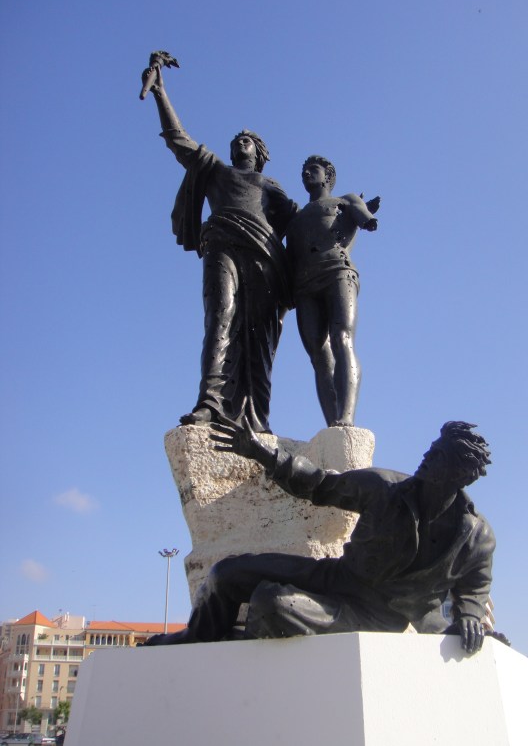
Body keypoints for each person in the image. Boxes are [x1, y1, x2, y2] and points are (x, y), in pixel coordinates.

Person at [143, 421, 495, 654]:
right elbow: (320, 485)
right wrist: (263, 454)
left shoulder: (475, 536)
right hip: (337, 576)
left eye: (438, 456)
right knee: (226, 574)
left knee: (272, 603)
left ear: (459, 474)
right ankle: (198, 636)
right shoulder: (385, 488)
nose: (426, 457)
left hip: (378, 616)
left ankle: (244, 641)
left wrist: (469, 615)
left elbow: (474, 587)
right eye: (430, 449)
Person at [142, 60, 297, 431]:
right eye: (237, 139)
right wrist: (161, 92)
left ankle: (258, 417)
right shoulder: (214, 170)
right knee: (219, 319)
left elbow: (300, 224)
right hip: (222, 246)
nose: (240, 140)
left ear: (259, 152)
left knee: (260, 337)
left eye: (249, 139)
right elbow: (178, 138)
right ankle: (210, 404)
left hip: (265, 258)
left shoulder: (270, 185)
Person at [285, 156, 379, 426]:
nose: (306, 173)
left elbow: (364, 218)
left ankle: (346, 417)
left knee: (341, 337)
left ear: (328, 176)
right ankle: (332, 425)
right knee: (318, 354)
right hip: (304, 284)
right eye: (303, 170)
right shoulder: (296, 219)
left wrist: (364, 215)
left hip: (338, 271)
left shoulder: (344, 200)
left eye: (313, 169)